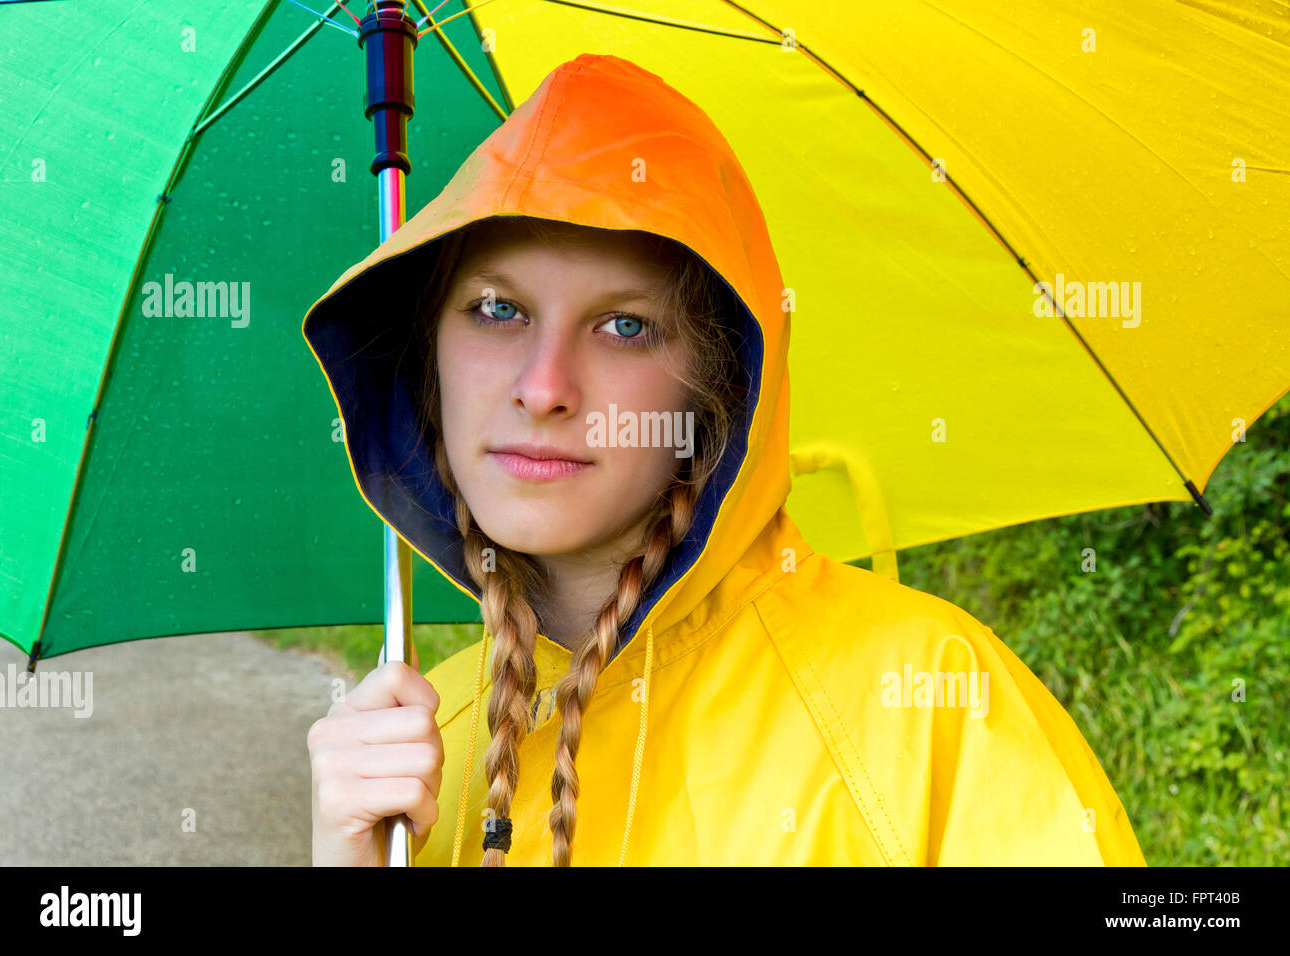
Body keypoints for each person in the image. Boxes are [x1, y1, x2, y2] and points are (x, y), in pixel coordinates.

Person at [302, 53, 1146, 866]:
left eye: (625, 326)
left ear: (714, 390)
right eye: (496, 309)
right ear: (428, 356)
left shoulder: (934, 710)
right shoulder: (421, 762)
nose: (544, 386)